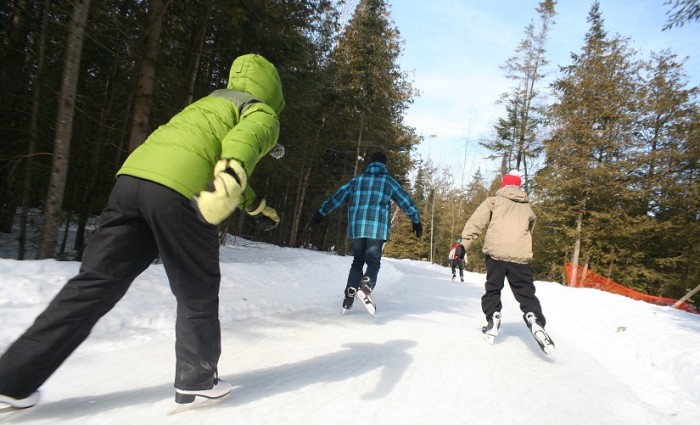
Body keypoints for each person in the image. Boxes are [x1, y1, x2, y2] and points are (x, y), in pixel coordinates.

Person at [0, 53, 285, 408]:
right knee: (197, 288)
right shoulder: (262, 112)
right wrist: (228, 180)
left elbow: (195, 153)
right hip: (180, 195)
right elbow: (241, 144)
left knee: (94, 283)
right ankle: (197, 378)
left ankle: (13, 378)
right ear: (273, 91)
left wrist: (253, 205)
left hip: (132, 181)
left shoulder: (207, 104)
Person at [310, 152, 422, 314]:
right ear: (385, 164)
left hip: (357, 228)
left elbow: (337, 197)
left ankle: (350, 293)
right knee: (373, 262)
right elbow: (406, 202)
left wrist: (320, 213)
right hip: (376, 229)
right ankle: (366, 285)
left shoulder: (357, 181)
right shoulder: (388, 182)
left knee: (357, 262)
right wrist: (416, 220)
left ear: (370, 163)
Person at [459, 170, 551, 343]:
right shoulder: (527, 207)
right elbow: (530, 230)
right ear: (518, 186)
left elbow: (476, 222)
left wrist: (464, 244)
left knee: (493, 288)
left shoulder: (493, 201)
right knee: (526, 292)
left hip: (496, 253)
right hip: (520, 256)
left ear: (504, 185)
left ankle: (492, 316)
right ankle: (534, 317)